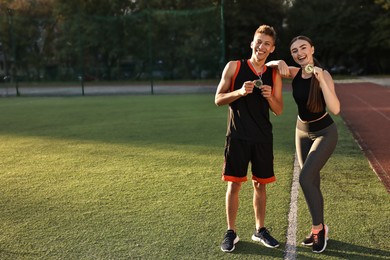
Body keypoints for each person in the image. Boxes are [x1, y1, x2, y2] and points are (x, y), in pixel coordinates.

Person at [267, 35, 340, 253]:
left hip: (325, 132)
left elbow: (335, 108)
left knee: (305, 177)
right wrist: (278, 62)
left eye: (303, 48)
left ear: (312, 49)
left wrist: (320, 79)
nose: (299, 53)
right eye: (294, 51)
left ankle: (318, 229)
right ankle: (320, 226)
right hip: (301, 132)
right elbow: (270, 65)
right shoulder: (295, 72)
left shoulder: (323, 74)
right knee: (311, 182)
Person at [215, 24, 283, 253]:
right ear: (251, 43)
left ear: (272, 49)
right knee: (234, 184)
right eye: (259, 41)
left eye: (267, 44)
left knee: (260, 185)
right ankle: (231, 232)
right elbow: (218, 99)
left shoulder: (273, 74)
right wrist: (240, 92)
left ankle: (260, 230)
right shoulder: (234, 67)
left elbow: (279, 109)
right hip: (238, 136)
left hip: (263, 137)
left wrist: (270, 96)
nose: (261, 47)